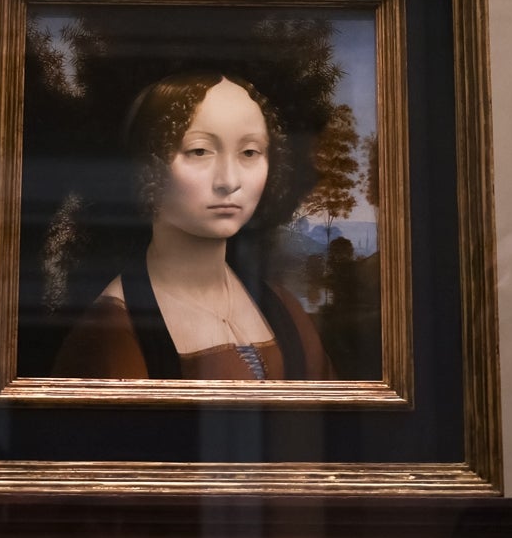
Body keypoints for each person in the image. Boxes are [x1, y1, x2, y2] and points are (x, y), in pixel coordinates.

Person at [50, 69, 333, 381]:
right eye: (199, 151)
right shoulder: (113, 330)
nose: (229, 181)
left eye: (249, 152)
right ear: (150, 164)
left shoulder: (284, 310)